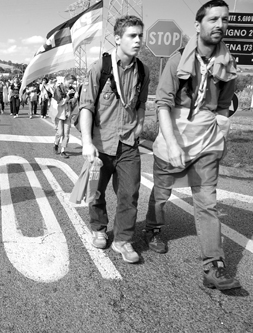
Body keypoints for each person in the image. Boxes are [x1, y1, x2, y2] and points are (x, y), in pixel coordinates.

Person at [144, 0, 240, 290]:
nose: (220, 25)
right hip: (175, 135)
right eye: (213, 19)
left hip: (207, 139)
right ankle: (154, 229)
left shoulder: (227, 62)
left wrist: (220, 137)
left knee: (207, 201)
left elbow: (223, 108)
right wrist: (172, 143)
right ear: (198, 25)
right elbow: (162, 103)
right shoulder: (176, 61)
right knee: (161, 193)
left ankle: (213, 265)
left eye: (224, 19)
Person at [79, 15, 149, 263]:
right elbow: (86, 107)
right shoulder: (100, 68)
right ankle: (99, 229)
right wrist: (87, 143)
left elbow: (140, 104)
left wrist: (139, 126)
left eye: (140, 35)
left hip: (128, 145)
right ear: (118, 38)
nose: (138, 40)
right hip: (100, 145)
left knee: (129, 194)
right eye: (132, 35)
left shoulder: (143, 70)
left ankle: (123, 239)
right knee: (95, 193)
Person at [53, 74, 77, 158]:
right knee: (60, 133)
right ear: (65, 80)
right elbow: (59, 102)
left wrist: (75, 97)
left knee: (66, 133)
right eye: (70, 83)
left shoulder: (72, 89)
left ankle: (63, 150)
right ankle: (56, 144)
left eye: (72, 83)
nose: (71, 85)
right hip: (59, 114)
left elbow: (73, 102)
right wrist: (67, 96)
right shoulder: (58, 89)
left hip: (68, 113)